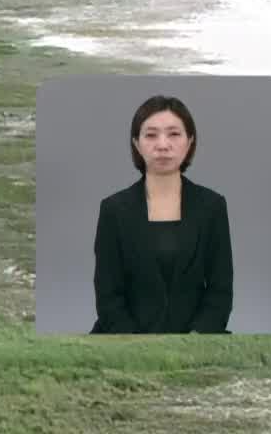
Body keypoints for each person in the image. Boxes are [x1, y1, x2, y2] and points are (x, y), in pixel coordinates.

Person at [90, 94, 234, 334]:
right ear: (136, 143)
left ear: (190, 142)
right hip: (124, 339)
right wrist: (135, 345)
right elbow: (108, 295)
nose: (163, 145)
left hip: (198, 339)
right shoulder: (114, 209)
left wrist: (196, 339)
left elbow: (220, 291)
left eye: (174, 134)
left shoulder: (212, 206)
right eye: (151, 135)